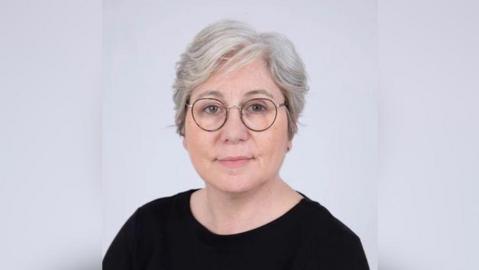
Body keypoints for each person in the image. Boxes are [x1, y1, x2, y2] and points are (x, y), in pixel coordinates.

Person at [103, 19, 370, 270]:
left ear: (291, 126)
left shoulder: (334, 252)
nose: (233, 132)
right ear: (183, 127)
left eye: (256, 107)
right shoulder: (144, 234)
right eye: (210, 108)